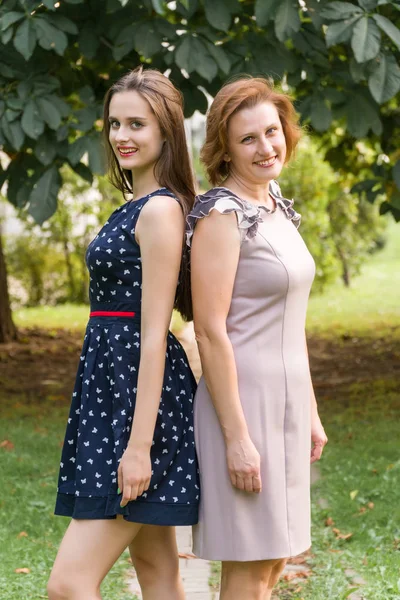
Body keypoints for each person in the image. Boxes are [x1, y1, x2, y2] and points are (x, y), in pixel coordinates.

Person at [48, 66, 199, 600]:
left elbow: (156, 334)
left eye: (137, 124)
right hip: (111, 392)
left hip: (142, 408)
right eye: (115, 124)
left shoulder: (159, 211)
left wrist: (139, 448)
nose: (121, 136)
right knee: (157, 575)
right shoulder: (135, 206)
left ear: (165, 131)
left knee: (68, 585)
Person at [186, 76, 328, 600]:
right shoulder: (221, 216)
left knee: (272, 563)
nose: (266, 147)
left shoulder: (276, 206)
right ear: (225, 148)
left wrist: (310, 410)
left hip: (287, 405)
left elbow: (293, 322)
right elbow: (209, 329)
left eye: (272, 131)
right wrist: (237, 439)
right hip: (244, 407)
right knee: (248, 570)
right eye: (248, 138)